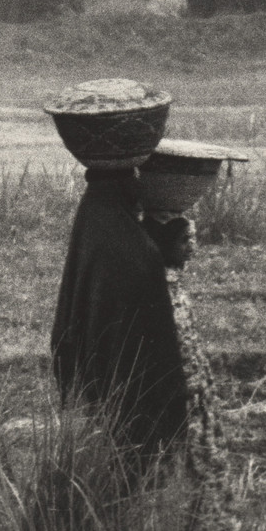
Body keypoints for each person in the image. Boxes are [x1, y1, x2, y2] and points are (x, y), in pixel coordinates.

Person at [50, 166, 191, 468]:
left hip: (95, 386)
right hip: (133, 394)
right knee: (132, 463)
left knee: (102, 458)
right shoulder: (138, 251)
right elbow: (160, 347)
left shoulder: (90, 226)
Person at [141, 210, 234, 531]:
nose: (193, 246)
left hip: (192, 393)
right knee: (190, 467)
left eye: (194, 237)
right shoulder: (163, 289)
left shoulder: (170, 283)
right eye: (185, 239)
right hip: (184, 396)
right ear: (166, 245)